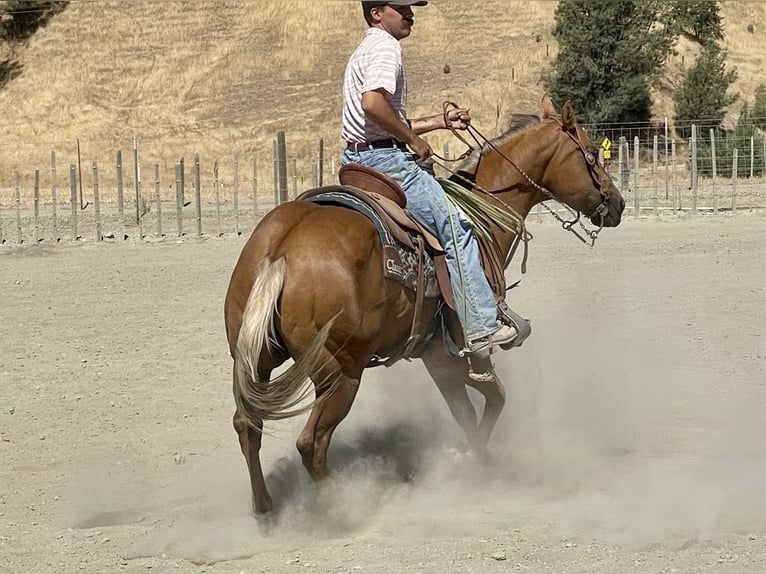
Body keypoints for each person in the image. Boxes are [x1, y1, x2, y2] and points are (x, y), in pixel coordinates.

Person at [341, 0, 518, 359]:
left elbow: (378, 120)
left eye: (411, 8)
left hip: (357, 157)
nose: (410, 13)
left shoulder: (364, 48)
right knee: (456, 227)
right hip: (386, 160)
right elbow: (373, 104)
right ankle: (482, 327)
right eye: (401, 8)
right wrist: (412, 140)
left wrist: (439, 122)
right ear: (377, 13)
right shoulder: (385, 46)